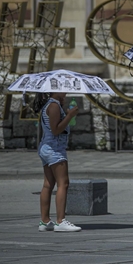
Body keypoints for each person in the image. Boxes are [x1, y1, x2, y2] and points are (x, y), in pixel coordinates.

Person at [36, 92, 81, 232]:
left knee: (48, 184)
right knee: (64, 183)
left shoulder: (51, 105)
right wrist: (69, 116)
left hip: (46, 147)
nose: (66, 92)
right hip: (54, 149)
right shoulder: (54, 105)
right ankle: (60, 221)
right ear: (54, 91)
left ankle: (45, 221)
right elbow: (56, 130)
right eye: (63, 90)